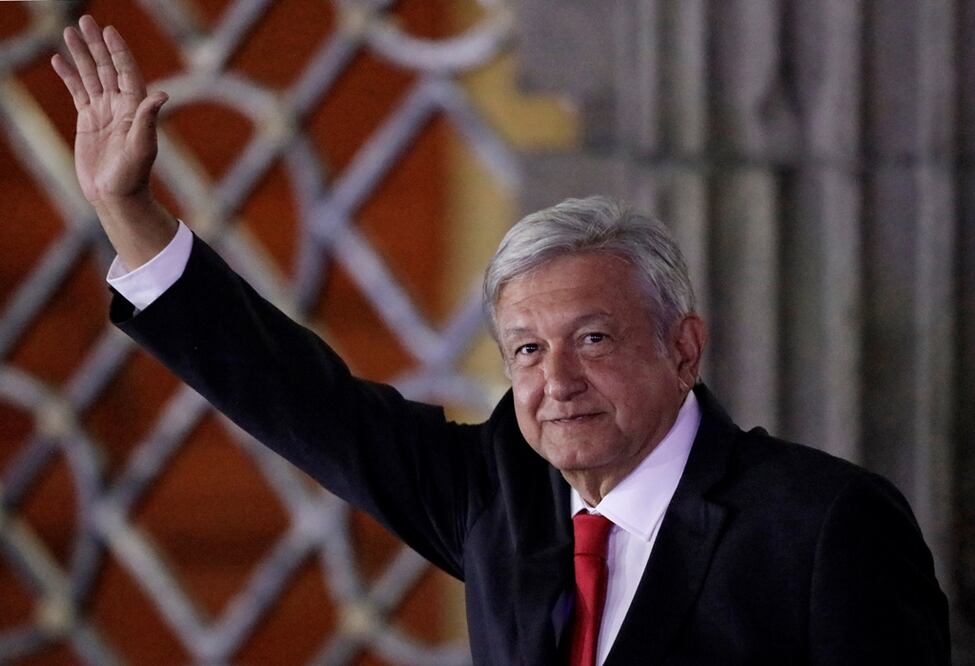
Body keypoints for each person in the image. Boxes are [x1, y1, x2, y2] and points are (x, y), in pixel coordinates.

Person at [52, 15, 950, 666]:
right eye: (525, 349)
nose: (555, 379)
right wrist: (127, 212)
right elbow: (301, 400)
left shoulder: (823, 523)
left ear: (683, 347)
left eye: (592, 338)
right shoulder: (500, 494)